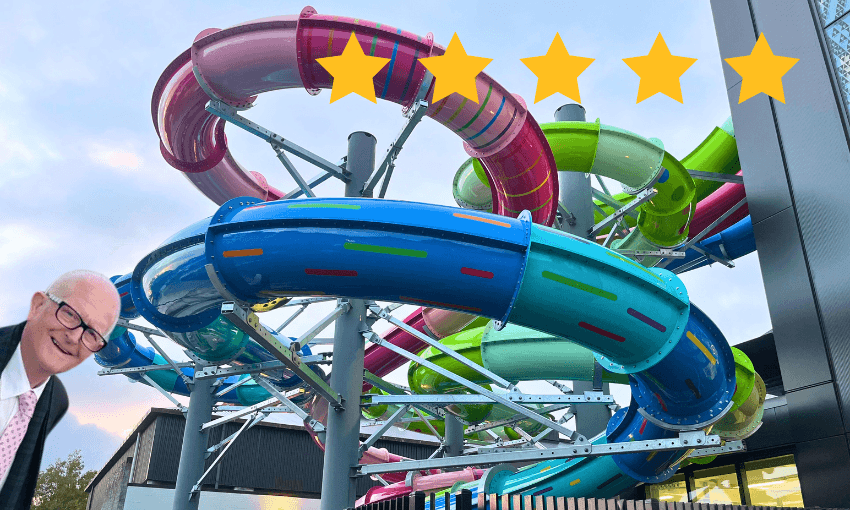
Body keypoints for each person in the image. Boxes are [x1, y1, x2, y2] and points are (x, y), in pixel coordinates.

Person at [0, 270, 120, 509]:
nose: (74, 338)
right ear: (37, 305)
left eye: (92, 334)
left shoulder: (55, 400)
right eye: (70, 314)